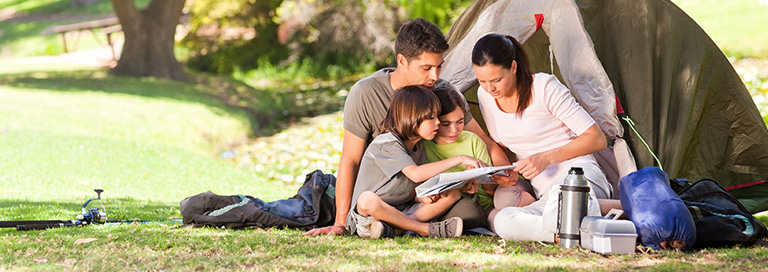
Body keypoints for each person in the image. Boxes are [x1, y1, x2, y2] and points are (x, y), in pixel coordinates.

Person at [305, 18, 514, 236]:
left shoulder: (443, 90)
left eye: (439, 66)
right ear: (402, 61)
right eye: (426, 68)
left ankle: (394, 226)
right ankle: (409, 226)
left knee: (469, 212)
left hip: (422, 195)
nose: (435, 76)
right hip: (385, 193)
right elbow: (351, 159)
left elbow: (484, 141)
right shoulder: (366, 93)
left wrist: (506, 175)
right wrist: (340, 222)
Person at [471, 33, 613, 242]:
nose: (489, 88)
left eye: (496, 80)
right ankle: (562, 233)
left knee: (560, 206)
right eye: (481, 80)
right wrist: (510, 173)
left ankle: (581, 217)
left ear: (513, 67)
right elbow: (506, 143)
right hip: (545, 196)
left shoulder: (544, 88)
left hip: (579, 176)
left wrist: (546, 158)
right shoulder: (486, 96)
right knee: (501, 219)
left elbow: (596, 139)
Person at [346, 85, 488, 238]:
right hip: (370, 217)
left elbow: (406, 187)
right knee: (367, 199)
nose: (438, 123)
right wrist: (460, 159)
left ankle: (397, 229)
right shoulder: (386, 143)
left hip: (403, 211)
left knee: (452, 194)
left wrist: (421, 196)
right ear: (412, 118)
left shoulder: (419, 146)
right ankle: (426, 229)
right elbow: (415, 174)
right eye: (432, 118)